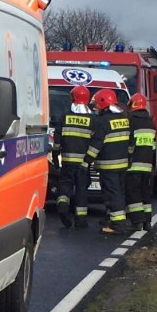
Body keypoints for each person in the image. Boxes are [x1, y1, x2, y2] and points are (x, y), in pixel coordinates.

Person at [85, 88, 131, 235]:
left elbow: (96, 144)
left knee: (112, 194)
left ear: (104, 103)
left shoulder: (102, 121)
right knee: (118, 193)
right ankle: (112, 219)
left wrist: (87, 161)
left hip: (108, 165)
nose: (96, 107)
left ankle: (118, 225)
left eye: (97, 104)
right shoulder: (124, 119)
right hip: (122, 164)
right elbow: (130, 143)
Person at [52, 85, 94, 228]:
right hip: (84, 163)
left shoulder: (65, 117)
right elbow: (97, 140)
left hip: (67, 160)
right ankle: (80, 220)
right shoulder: (92, 119)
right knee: (82, 190)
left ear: (73, 98)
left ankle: (63, 207)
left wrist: (55, 157)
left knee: (65, 186)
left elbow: (56, 141)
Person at [125, 93, 156, 230]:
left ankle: (137, 222)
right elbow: (153, 146)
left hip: (133, 165)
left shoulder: (131, 120)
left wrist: (127, 157)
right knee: (146, 193)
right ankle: (147, 222)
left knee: (134, 193)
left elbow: (129, 143)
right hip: (147, 165)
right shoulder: (150, 122)